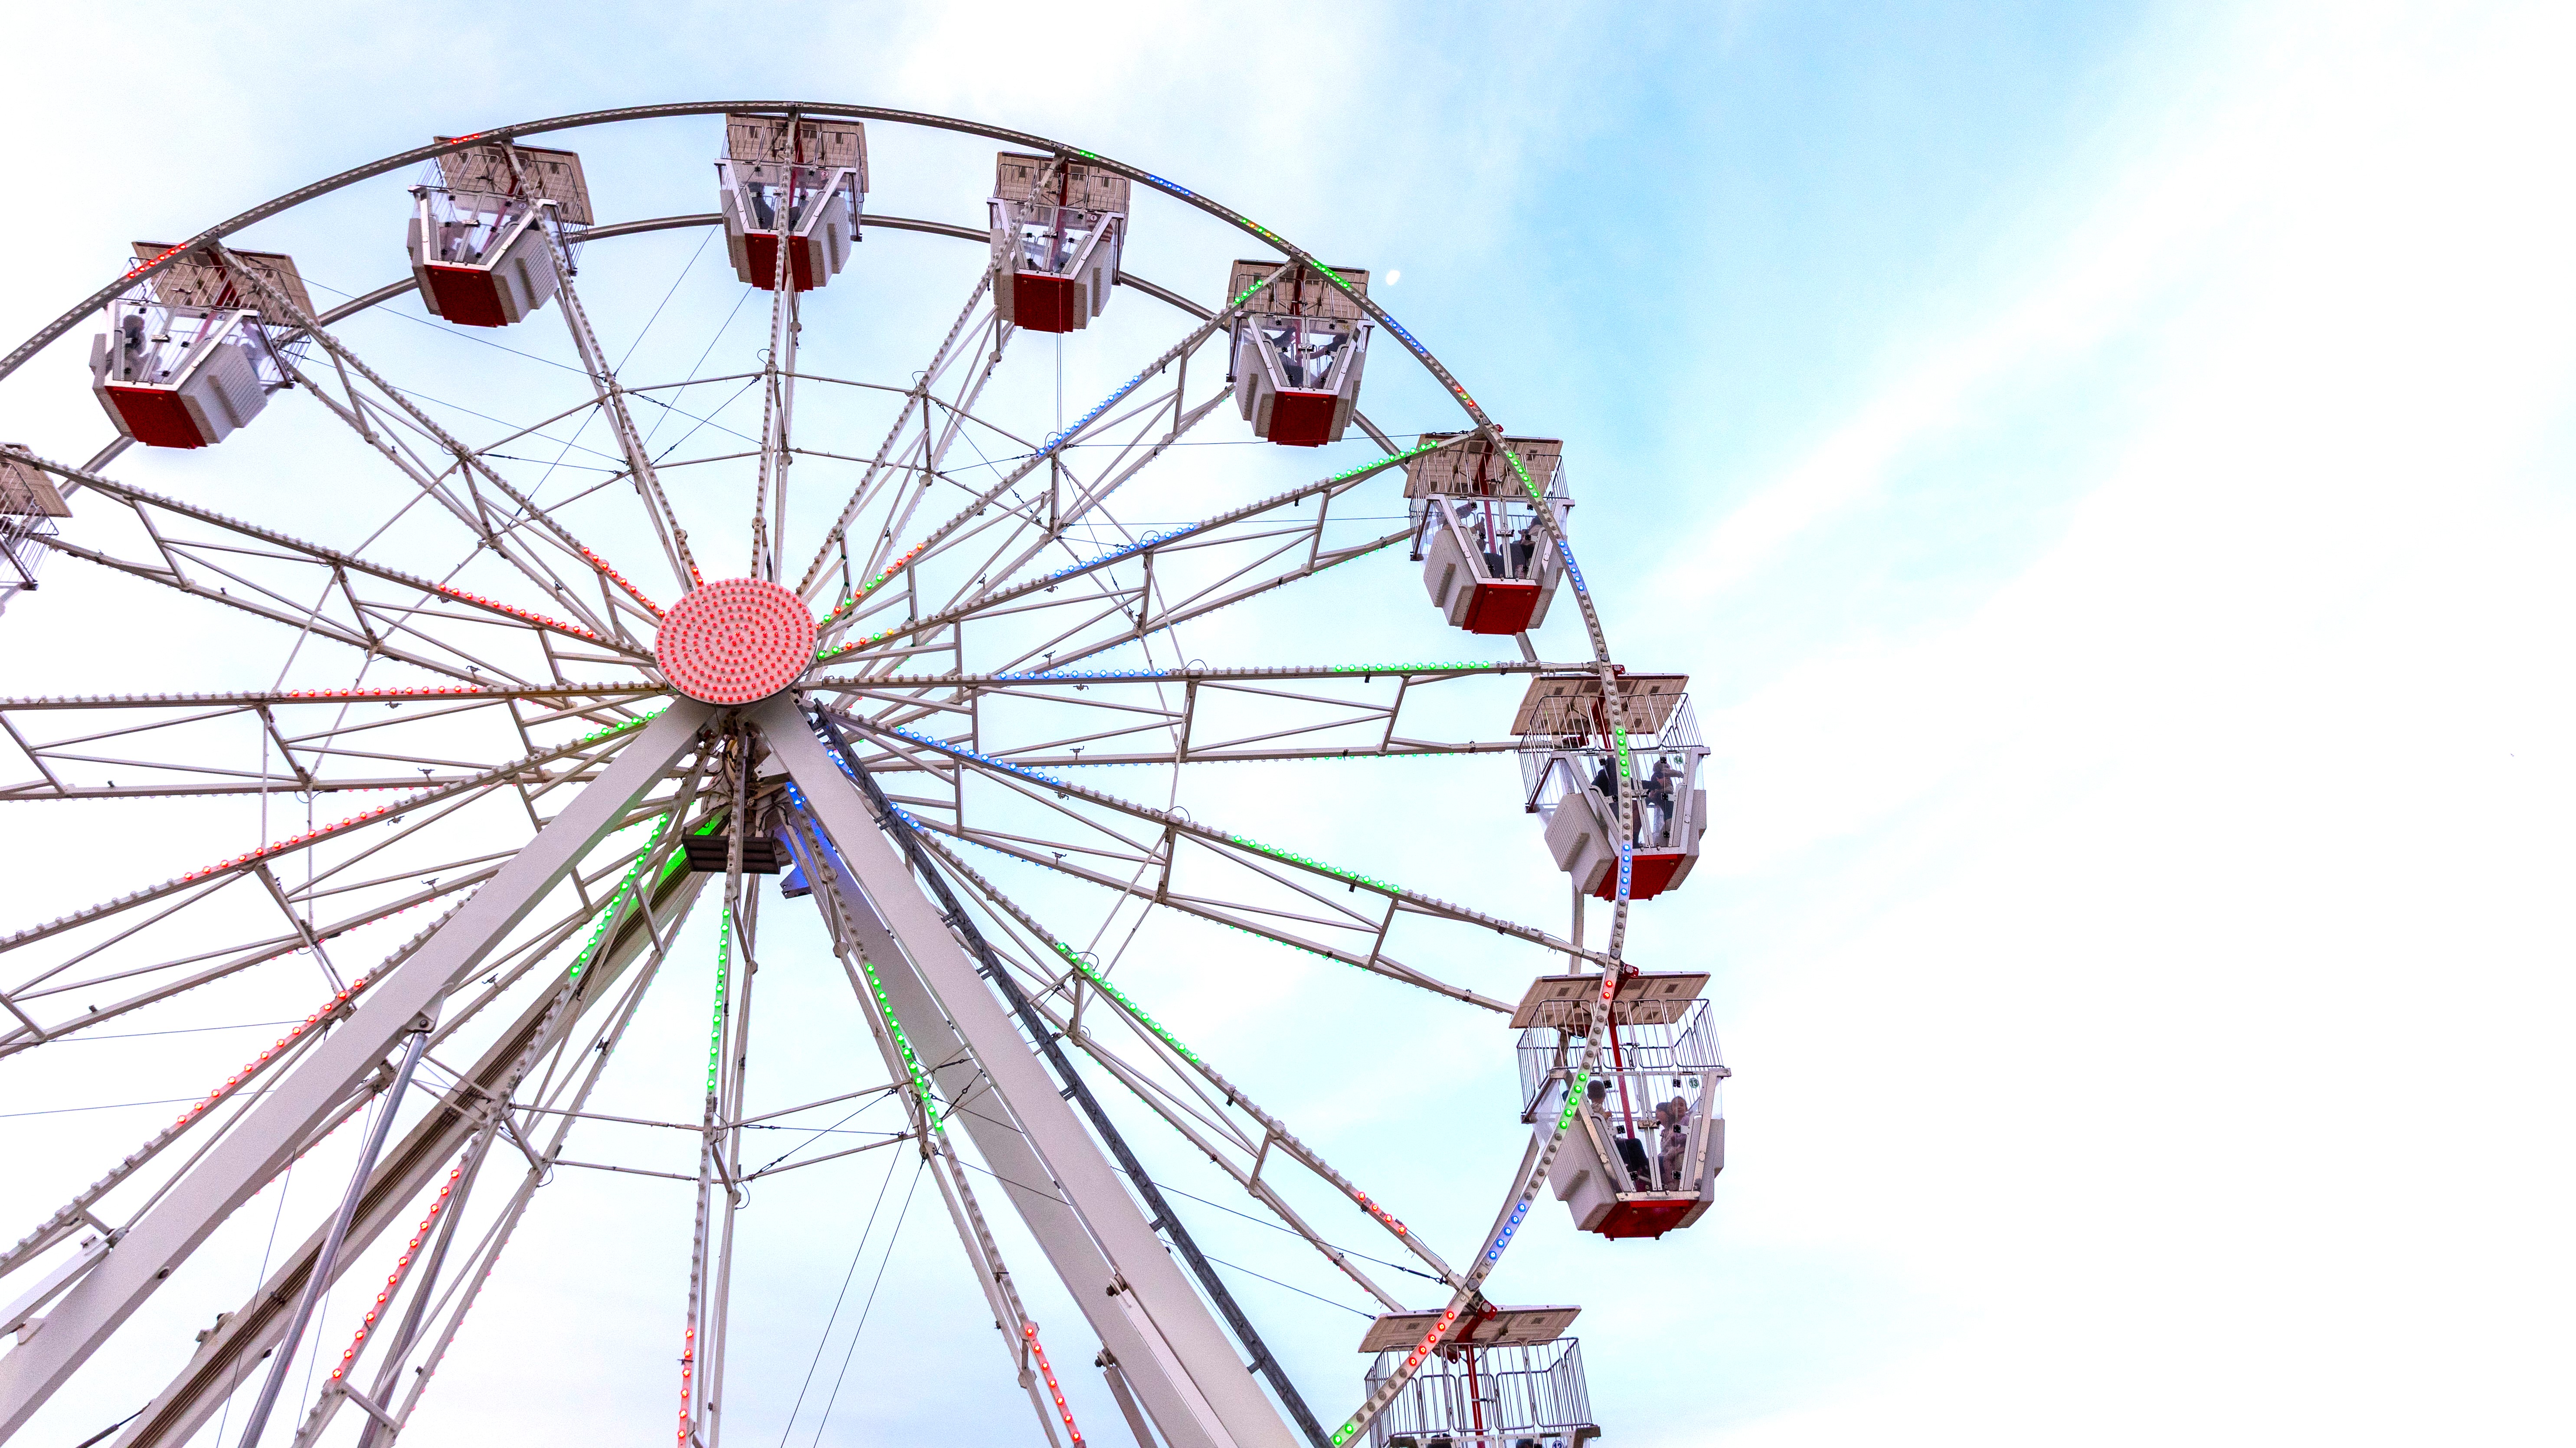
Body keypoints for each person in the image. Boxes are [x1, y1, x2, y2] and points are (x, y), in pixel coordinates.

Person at [1658, 1095, 1689, 1189]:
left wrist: (1676, 1140)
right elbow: (1675, 1140)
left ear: (1686, 1108)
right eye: (1676, 1106)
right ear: (1672, 1110)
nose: (1679, 1107)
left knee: (1666, 1159)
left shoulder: (1687, 1120)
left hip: (1683, 1147)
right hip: (1678, 1147)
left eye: (1682, 1105)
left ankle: (1670, 1182)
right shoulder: (1676, 1124)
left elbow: (1687, 1135)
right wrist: (1673, 1140)